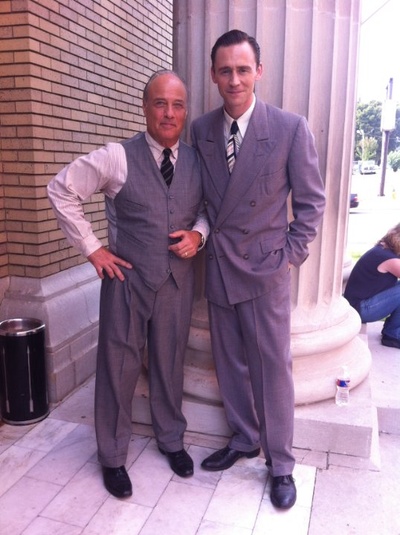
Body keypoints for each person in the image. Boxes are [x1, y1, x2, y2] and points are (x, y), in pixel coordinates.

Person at [47, 70, 209, 498]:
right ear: (145, 107)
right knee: (118, 367)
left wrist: (199, 235)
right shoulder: (117, 157)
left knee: (170, 363)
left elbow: (208, 210)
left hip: (177, 282)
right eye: (160, 103)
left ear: (185, 111)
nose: (169, 113)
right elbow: (61, 190)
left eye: (177, 104)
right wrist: (93, 250)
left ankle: (171, 439)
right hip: (126, 280)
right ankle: (113, 456)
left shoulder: (198, 162)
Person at [191, 30, 325, 509]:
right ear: (213, 75)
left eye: (243, 69)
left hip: (266, 271)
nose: (234, 79)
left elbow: (311, 204)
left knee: (272, 370)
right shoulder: (201, 130)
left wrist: (287, 256)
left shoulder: (289, 128)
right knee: (229, 362)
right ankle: (245, 438)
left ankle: (281, 463)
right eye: (225, 70)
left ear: (259, 72)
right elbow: (202, 199)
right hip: (219, 266)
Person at [344, 224, 400, 348]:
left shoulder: (383, 250)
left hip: (359, 304)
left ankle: (393, 332)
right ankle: (393, 334)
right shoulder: (390, 259)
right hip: (361, 309)